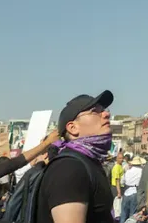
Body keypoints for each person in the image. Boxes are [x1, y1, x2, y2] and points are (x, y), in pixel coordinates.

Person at [36, 90, 116, 223]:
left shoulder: (87, 162)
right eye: (95, 111)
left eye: (103, 110)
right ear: (73, 128)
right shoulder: (69, 167)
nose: (106, 114)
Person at [121, 157, 144, 223]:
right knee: (132, 215)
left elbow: (122, 182)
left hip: (126, 192)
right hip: (135, 192)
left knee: (123, 214)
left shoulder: (128, 171)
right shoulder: (142, 171)